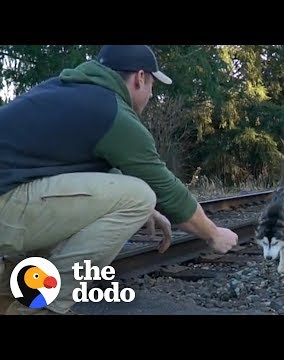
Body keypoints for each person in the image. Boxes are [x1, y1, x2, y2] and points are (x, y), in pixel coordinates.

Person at [0, 45, 238, 315]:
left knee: (136, 199)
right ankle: (46, 307)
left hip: (8, 196)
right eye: (151, 86)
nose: (151, 94)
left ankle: (7, 296)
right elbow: (167, 191)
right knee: (140, 195)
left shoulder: (64, 91)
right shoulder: (112, 111)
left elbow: (65, 173)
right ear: (139, 78)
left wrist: (145, 208)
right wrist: (214, 234)